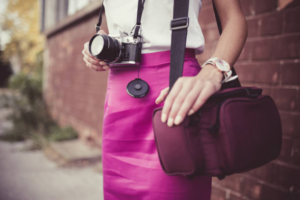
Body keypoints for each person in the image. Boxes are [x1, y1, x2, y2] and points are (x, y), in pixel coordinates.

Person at [82, 0, 247, 199]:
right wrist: (102, 40)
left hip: (175, 92)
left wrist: (213, 71)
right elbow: (121, 22)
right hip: (120, 98)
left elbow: (233, 18)